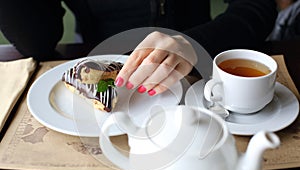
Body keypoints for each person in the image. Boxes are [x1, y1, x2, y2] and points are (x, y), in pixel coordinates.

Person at [0, 0, 277, 95]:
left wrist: (194, 44)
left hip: (200, 73)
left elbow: (257, 7)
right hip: (100, 80)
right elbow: (36, 41)